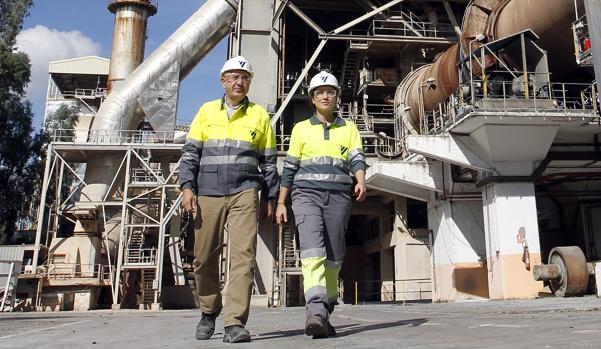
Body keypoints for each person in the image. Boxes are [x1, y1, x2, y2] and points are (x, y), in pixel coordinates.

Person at [179, 56, 279, 343]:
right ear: (223, 81)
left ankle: (234, 322)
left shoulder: (259, 115)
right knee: (203, 256)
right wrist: (187, 187)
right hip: (207, 191)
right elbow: (190, 154)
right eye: (234, 77)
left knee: (243, 257)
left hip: (245, 191)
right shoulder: (206, 112)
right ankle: (209, 311)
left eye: (245, 77)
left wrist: (271, 196)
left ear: (250, 82)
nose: (239, 82)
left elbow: (269, 162)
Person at [275, 71, 367, 338]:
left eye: (330, 92)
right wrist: (282, 201)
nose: (325, 96)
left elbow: (357, 158)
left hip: (338, 197)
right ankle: (315, 311)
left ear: (337, 97)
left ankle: (325, 309)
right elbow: (290, 168)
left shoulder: (349, 128)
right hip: (306, 196)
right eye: (319, 93)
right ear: (312, 99)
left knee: (334, 257)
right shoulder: (301, 128)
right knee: (313, 252)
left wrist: (360, 180)